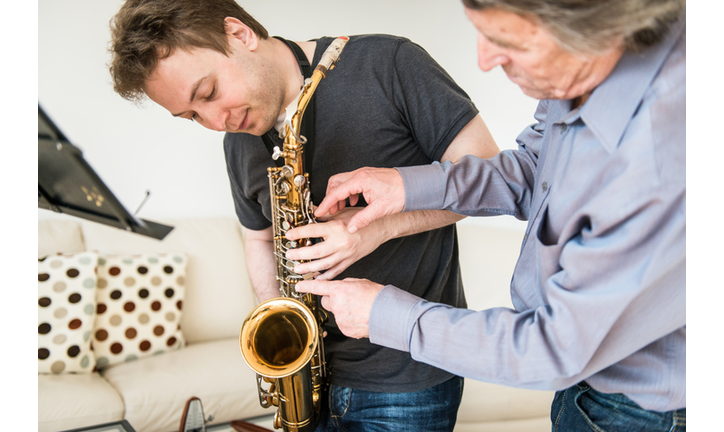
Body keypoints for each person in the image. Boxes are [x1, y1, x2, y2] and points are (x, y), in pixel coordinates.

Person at [108, 0, 500, 430]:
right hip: (308, 381)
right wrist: (276, 319)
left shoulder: (388, 63)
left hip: (405, 378)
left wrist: (375, 229)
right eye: (192, 116)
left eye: (208, 93)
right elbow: (258, 237)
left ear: (239, 34)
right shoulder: (237, 142)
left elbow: (488, 175)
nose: (217, 122)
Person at [295, 0, 687, 430]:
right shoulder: (583, 70)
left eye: (506, 41)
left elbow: (554, 348)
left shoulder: (660, 152)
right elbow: (537, 167)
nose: (484, 60)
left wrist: (384, 315)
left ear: (597, 25)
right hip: (585, 391)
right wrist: (407, 186)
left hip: (641, 411)